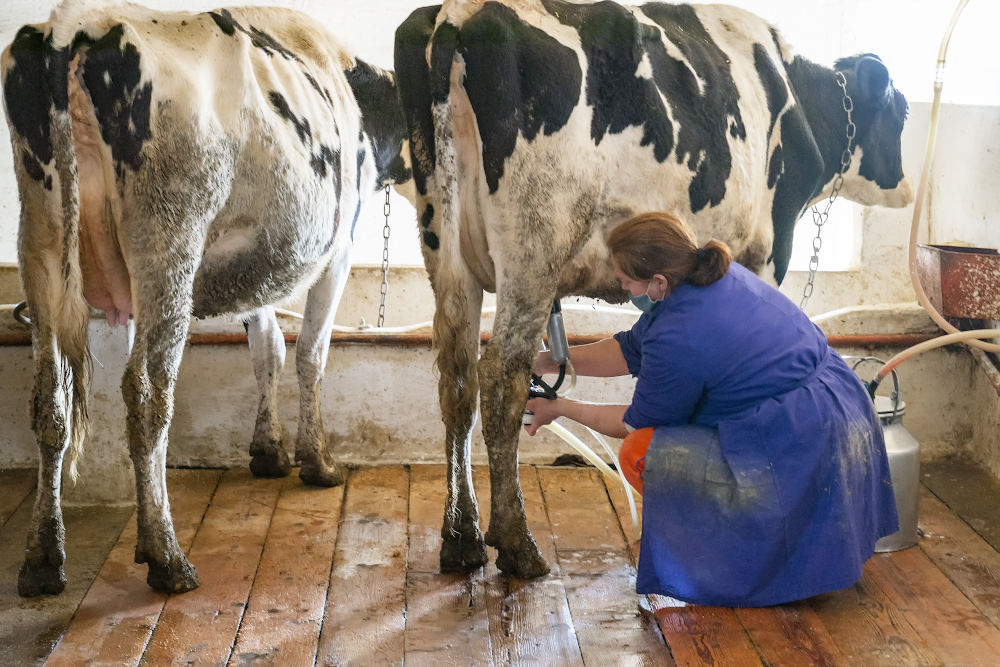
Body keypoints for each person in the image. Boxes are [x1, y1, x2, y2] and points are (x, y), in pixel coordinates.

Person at [525, 211, 898, 607]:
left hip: (805, 433)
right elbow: (629, 350)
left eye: (625, 281)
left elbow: (633, 423)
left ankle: (730, 553)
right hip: (840, 400)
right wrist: (549, 361)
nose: (621, 287)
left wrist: (560, 407)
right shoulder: (705, 278)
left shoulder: (679, 334)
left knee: (642, 452)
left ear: (658, 283)